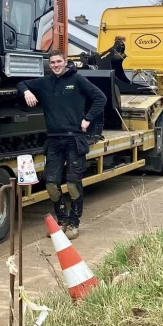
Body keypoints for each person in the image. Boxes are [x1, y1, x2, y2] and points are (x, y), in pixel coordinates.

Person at [17, 49, 107, 239]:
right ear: (49, 65)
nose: (56, 65)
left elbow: (101, 98)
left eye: (59, 61)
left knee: (73, 184)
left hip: (74, 139)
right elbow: (21, 83)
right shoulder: (44, 82)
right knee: (51, 184)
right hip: (53, 140)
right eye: (52, 62)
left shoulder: (78, 80)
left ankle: (74, 223)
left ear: (65, 62)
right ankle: (62, 221)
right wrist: (26, 92)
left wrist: (88, 119)